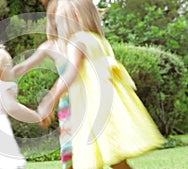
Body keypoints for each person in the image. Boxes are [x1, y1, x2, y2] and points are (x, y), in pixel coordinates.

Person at [37, 0, 166, 169]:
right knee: (114, 158)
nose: (57, 25)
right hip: (101, 106)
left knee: (87, 158)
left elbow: (71, 71)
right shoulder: (95, 39)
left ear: (75, 16)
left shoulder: (78, 41)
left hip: (91, 109)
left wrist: (50, 99)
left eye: (60, 19)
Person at [11, 0, 73, 168]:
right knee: (69, 146)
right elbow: (24, 66)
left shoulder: (78, 42)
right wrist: (1, 73)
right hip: (67, 101)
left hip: (85, 95)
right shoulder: (49, 46)